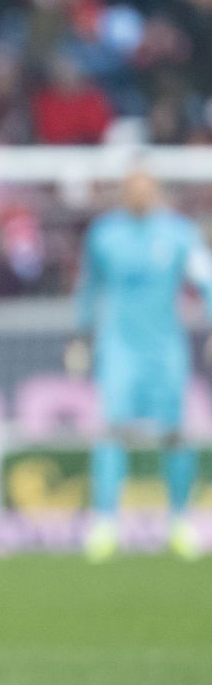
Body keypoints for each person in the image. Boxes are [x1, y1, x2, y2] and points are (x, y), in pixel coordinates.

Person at [67, 167, 212, 561]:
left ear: (157, 192)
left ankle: (179, 521)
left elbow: (206, 281)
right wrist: (81, 334)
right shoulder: (104, 234)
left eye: (147, 188)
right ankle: (106, 523)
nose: (140, 195)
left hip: (166, 346)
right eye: (133, 189)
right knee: (112, 430)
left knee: (175, 433)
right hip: (119, 346)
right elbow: (89, 288)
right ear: (123, 193)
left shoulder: (179, 233)